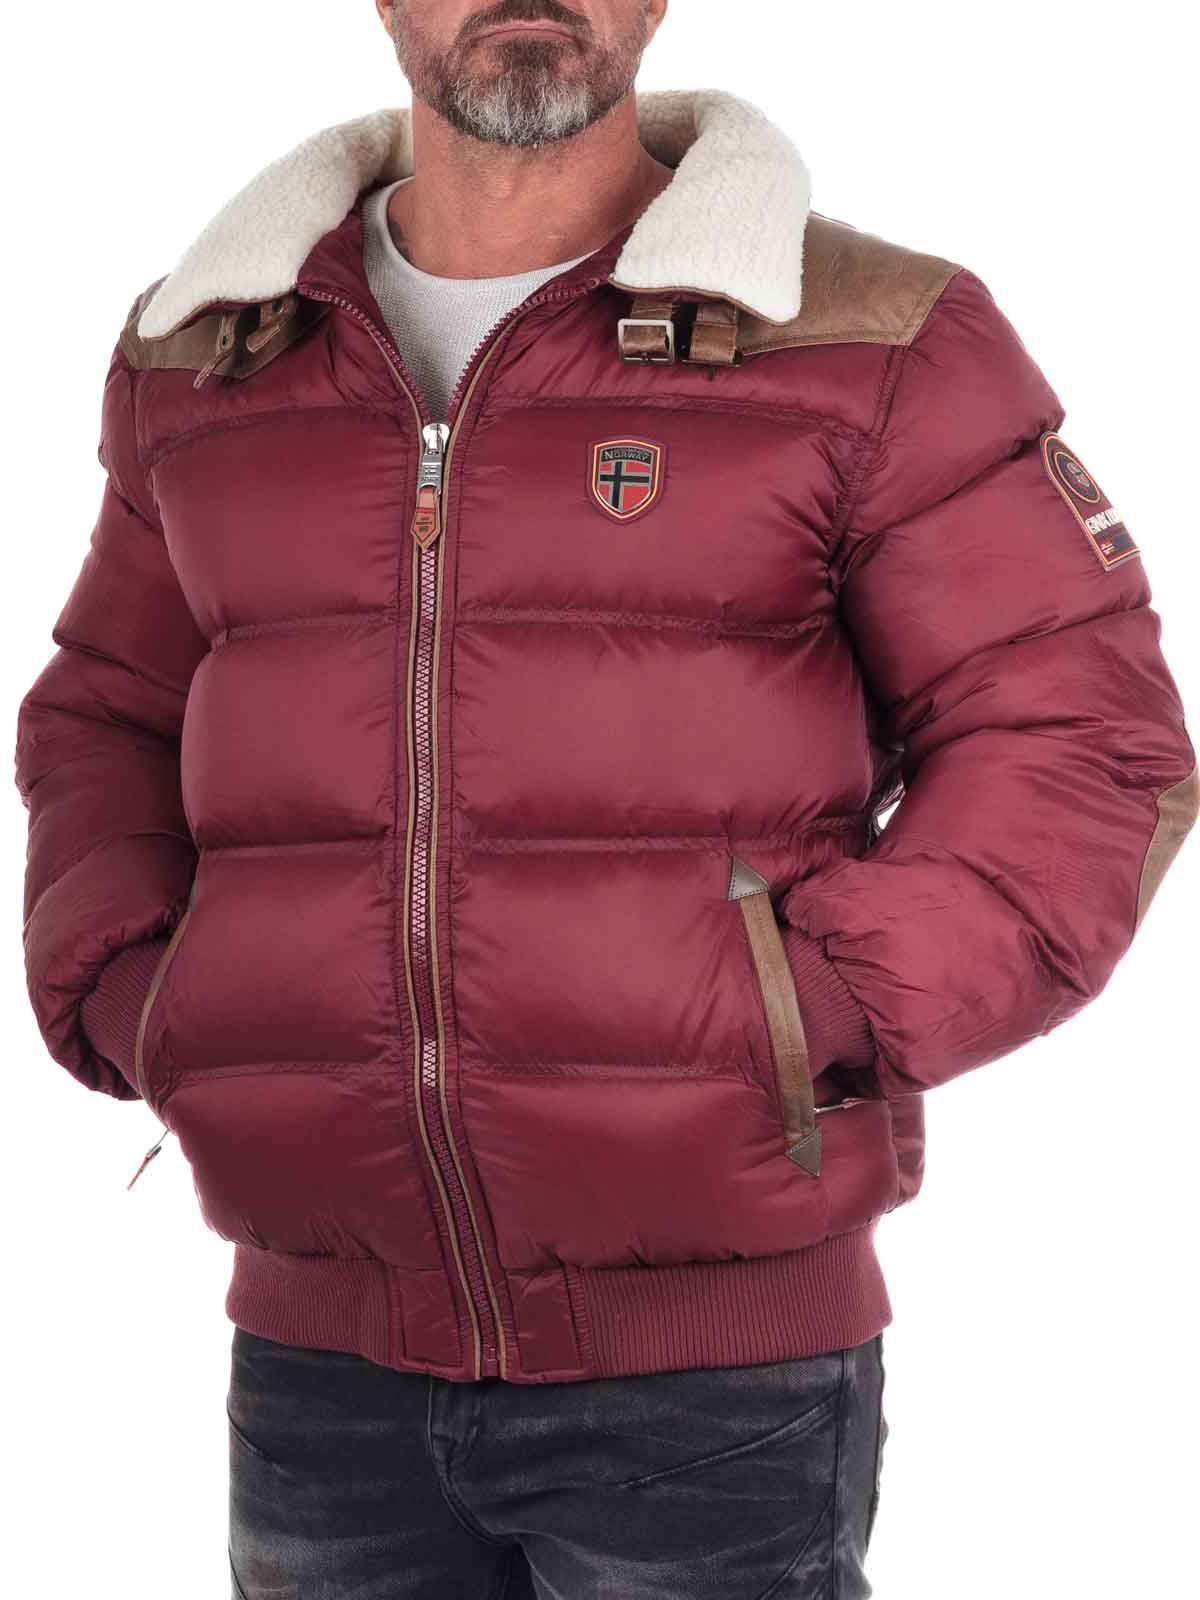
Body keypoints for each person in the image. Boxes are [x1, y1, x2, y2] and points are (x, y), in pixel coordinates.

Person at [13, 2, 1197, 1596]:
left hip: (715, 1390)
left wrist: (798, 1012)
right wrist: (151, 999)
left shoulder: (863, 340)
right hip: (318, 1370)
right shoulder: (212, 353)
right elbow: (108, 717)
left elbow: (1081, 739)